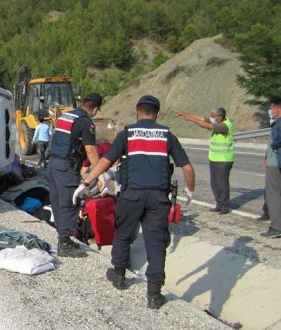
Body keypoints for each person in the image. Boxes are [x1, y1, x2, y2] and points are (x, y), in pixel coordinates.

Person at [73, 95, 195, 309]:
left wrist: (85, 183)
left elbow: (105, 161)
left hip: (131, 195)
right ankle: (154, 295)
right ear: (156, 114)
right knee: (156, 244)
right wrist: (190, 190)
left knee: (122, 234)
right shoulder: (168, 135)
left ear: (137, 112)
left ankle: (119, 276)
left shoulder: (127, 133)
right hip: (158, 197)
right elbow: (187, 168)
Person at [48, 92, 103, 258]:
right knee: (70, 201)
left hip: (53, 163)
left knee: (57, 200)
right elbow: (91, 150)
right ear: (96, 109)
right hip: (67, 166)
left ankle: (62, 234)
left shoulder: (66, 116)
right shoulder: (85, 122)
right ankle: (64, 242)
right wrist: (99, 173)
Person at [176, 107, 234, 214]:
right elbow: (203, 119)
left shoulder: (224, 126)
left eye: (213, 116)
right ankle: (219, 204)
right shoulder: (219, 122)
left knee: (222, 184)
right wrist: (187, 115)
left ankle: (224, 206)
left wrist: (191, 119)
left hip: (224, 160)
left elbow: (206, 125)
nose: (211, 117)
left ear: (220, 117)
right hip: (215, 158)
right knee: (214, 183)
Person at [261, 97, 281, 238]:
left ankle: (276, 227)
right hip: (274, 160)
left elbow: (275, 141)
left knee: (273, 194)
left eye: (272, 108)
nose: (270, 111)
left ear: (277, 108)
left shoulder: (278, 123)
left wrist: (273, 148)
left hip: (276, 162)